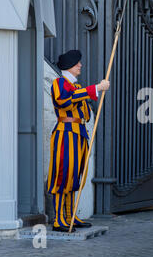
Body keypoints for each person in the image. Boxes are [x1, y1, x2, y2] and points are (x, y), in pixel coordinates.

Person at [46, 49, 110, 232]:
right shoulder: (60, 83)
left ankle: (70, 215)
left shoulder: (76, 86)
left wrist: (92, 91)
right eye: (77, 63)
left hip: (78, 133)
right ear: (69, 66)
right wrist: (95, 88)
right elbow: (63, 101)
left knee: (74, 176)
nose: (80, 65)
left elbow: (84, 112)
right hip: (65, 133)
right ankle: (59, 219)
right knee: (63, 174)